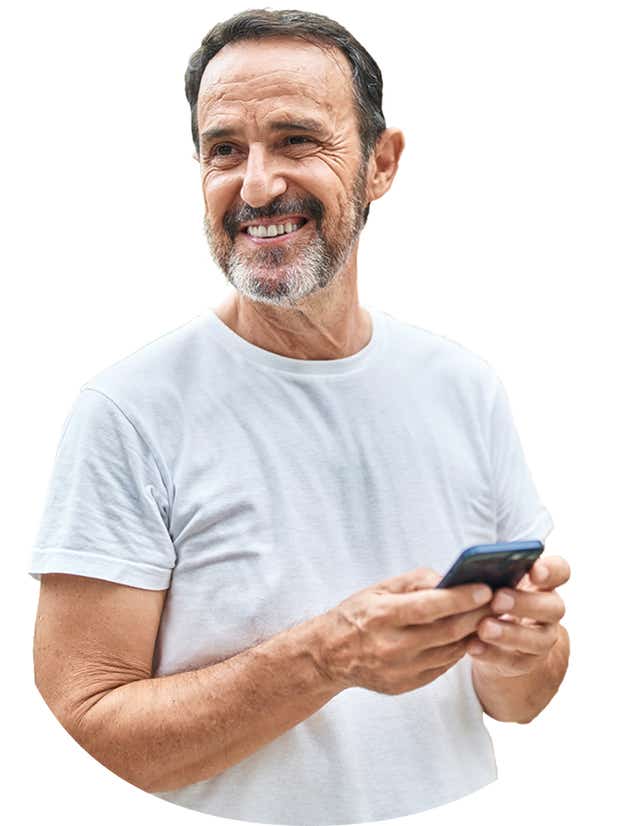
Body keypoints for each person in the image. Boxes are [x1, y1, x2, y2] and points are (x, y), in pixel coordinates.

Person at [29, 8, 570, 825]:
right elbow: (87, 725)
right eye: (224, 151)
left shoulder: (464, 385)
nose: (255, 185)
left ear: (381, 164)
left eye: (294, 140)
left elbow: (517, 702)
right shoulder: (127, 413)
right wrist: (329, 656)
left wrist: (524, 649)